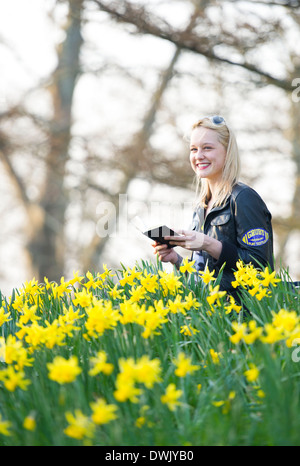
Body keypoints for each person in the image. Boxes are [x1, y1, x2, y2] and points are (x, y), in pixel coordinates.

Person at [152, 115, 274, 299]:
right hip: (212, 320)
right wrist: (176, 259)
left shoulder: (243, 198)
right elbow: (205, 280)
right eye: (193, 149)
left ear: (227, 151)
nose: (198, 156)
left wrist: (209, 244)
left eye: (207, 148)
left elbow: (258, 266)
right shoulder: (200, 208)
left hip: (242, 318)